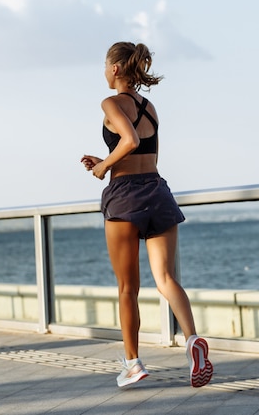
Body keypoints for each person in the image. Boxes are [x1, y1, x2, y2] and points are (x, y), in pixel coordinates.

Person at [80, 42, 213, 388]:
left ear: (116, 69)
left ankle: (133, 363)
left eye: (105, 66)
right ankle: (192, 340)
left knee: (128, 288)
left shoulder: (110, 103)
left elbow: (130, 141)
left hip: (125, 196)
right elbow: (141, 151)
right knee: (166, 278)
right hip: (157, 191)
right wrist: (107, 158)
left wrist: (104, 167)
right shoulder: (149, 106)